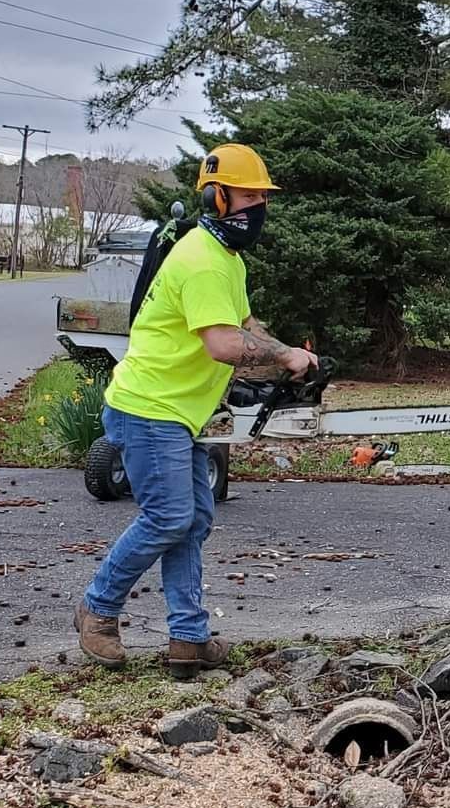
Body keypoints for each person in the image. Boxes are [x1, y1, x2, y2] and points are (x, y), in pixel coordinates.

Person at [74, 144, 318, 680]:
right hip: (149, 408)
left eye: (263, 197)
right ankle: (98, 608)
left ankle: (188, 638)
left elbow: (246, 327)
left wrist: (288, 356)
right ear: (216, 196)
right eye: (250, 195)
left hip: (178, 412)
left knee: (193, 520)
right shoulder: (202, 259)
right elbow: (224, 346)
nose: (259, 206)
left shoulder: (226, 259)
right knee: (168, 517)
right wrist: (283, 356)